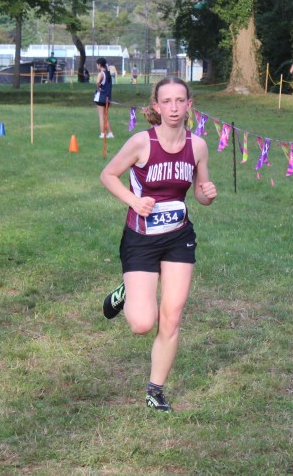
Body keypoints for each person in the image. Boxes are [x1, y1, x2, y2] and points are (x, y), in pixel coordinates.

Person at [99, 76, 218, 412]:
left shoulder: (198, 146)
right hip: (141, 239)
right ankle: (126, 291)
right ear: (156, 106)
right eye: (167, 101)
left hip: (179, 237)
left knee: (172, 316)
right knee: (142, 323)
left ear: (189, 105)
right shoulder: (142, 142)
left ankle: (156, 390)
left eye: (180, 100)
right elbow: (108, 175)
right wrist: (134, 201)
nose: (174, 108)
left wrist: (207, 195)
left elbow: (200, 193)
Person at [94, 58, 114, 139]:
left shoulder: (101, 74)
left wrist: (98, 88)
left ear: (99, 64)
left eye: (97, 64)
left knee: (101, 116)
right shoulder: (108, 74)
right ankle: (110, 133)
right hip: (107, 97)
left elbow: (97, 82)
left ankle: (102, 133)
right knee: (105, 116)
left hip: (100, 97)